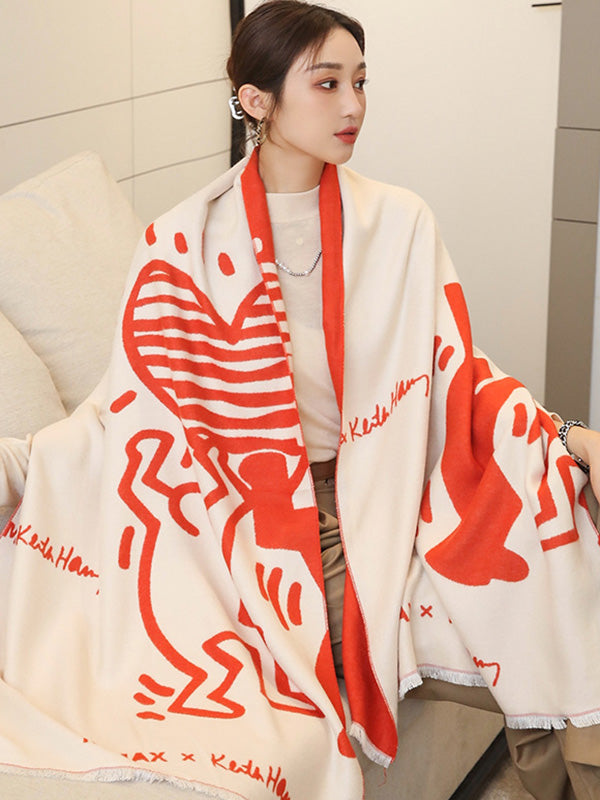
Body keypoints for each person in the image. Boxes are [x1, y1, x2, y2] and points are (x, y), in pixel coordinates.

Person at [2, 2, 600, 798]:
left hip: (397, 487)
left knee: (563, 541)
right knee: (529, 613)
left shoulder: (398, 223)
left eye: (361, 82)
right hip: (265, 528)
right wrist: (24, 468)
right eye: (327, 84)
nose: (354, 105)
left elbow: (453, 373)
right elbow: (128, 412)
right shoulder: (179, 248)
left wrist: (566, 435)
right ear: (257, 100)